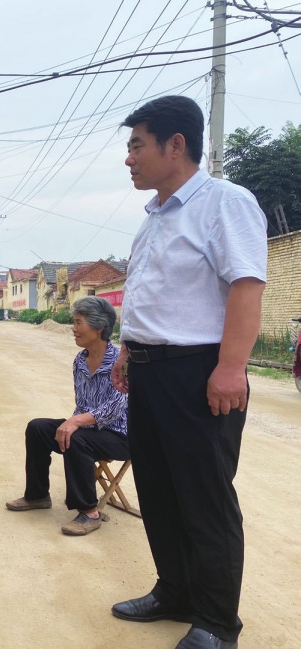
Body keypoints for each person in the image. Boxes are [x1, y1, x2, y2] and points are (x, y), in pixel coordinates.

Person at [110, 96, 267, 649]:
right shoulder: (153, 218)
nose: (128, 158)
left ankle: (218, 624)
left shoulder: (225, 203)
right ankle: (174, 591)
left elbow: (247, 286)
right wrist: (129, 350)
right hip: (152, 375)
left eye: (136, 145)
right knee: (157, 490)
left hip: (200, 373)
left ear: (175, 145)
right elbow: (154, 296)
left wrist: (231, 367)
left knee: (204, 498)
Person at [5, 296, 129, 536]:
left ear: (99, 326)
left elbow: (116, 407)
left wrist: (75, 423)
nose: (73, 329)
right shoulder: (80, 361)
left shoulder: (120, 362)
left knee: (77, 438)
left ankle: (89, 512)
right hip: (89, 430)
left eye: (79, 322)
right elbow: (81, 404)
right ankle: (38, 495)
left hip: (120, 435)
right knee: (38, 428)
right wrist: (73, 423)